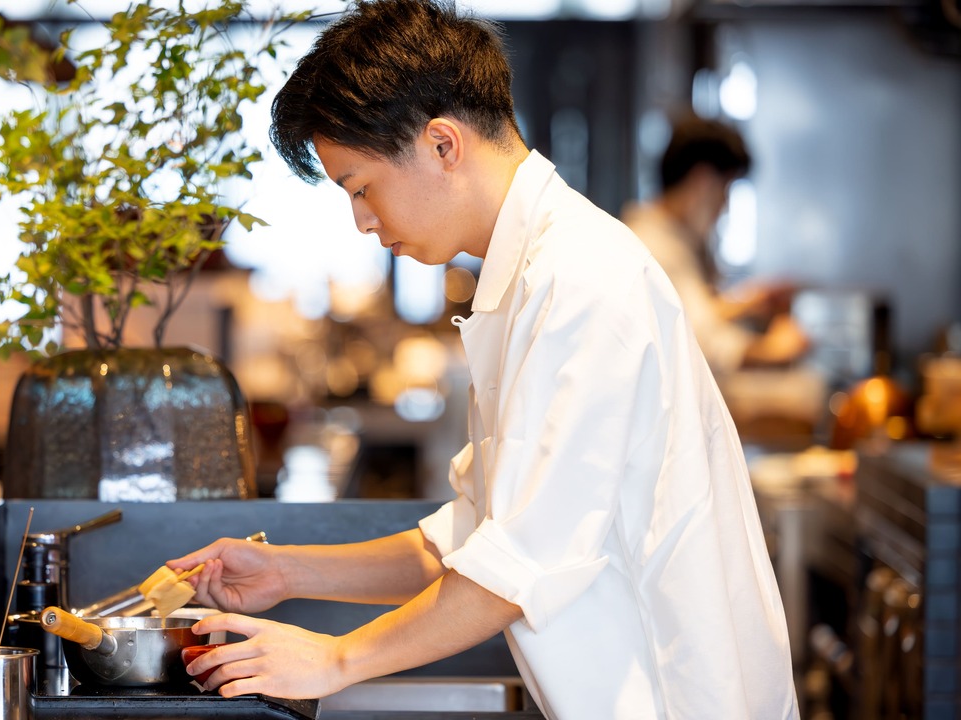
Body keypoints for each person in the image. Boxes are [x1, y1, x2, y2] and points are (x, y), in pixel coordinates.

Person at [171, 1, 799, 717]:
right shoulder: (524, 277)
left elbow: (515, 567)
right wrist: (286, 571)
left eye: (362, 188)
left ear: (443, 145)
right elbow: (471, 541)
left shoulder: (581, 279)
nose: (363, 221)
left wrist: (336, 658)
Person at [622, 114, 810, 378]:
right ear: (703, 182)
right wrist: (773, 349)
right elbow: (702, 345)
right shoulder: (654, 246)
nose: (724, 206)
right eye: (725, 189)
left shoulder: (664, 235)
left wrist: (748, 302)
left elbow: (690, 311)